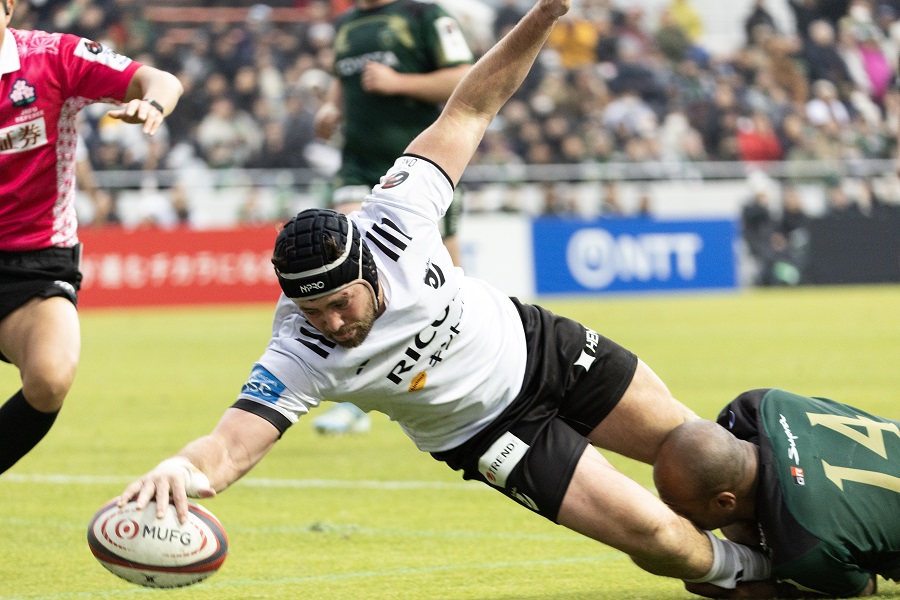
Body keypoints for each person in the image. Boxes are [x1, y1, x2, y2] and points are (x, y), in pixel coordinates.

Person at [119, 0, 772, 591]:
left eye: (341, 303)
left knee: (701, 458)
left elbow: (471, 105)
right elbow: (230, 446)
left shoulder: (398, 213)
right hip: (493, 436)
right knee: (658, 538)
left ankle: (801, 530)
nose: (333, 323)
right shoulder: (300, 350)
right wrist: (180, 469)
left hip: (544, 348)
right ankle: (755, 575)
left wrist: (544, 14)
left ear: (368, 266)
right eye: (313, 311)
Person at [0, 0, 183, 474]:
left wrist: (151, 104)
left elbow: (162, 80)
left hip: (35, 260)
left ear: (8, 8)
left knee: (50, 377)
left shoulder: (54, 57)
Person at [311, 0, 475, 435]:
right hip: (358, 168)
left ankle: (463, 373)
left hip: (421, 169)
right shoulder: (346, 25)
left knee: (447, 281)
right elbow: (342, 83)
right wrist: (330, 110)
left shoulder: (424, 16)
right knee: (348, 268)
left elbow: (466, 79)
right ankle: (358, 397)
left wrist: (400, 82)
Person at [654, 388, 900, 598]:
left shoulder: (803, 547)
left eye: (680, 510)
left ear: (725, 502)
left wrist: (765, 589)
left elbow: (863, 586)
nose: (674, 516)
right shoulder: (756, 405)